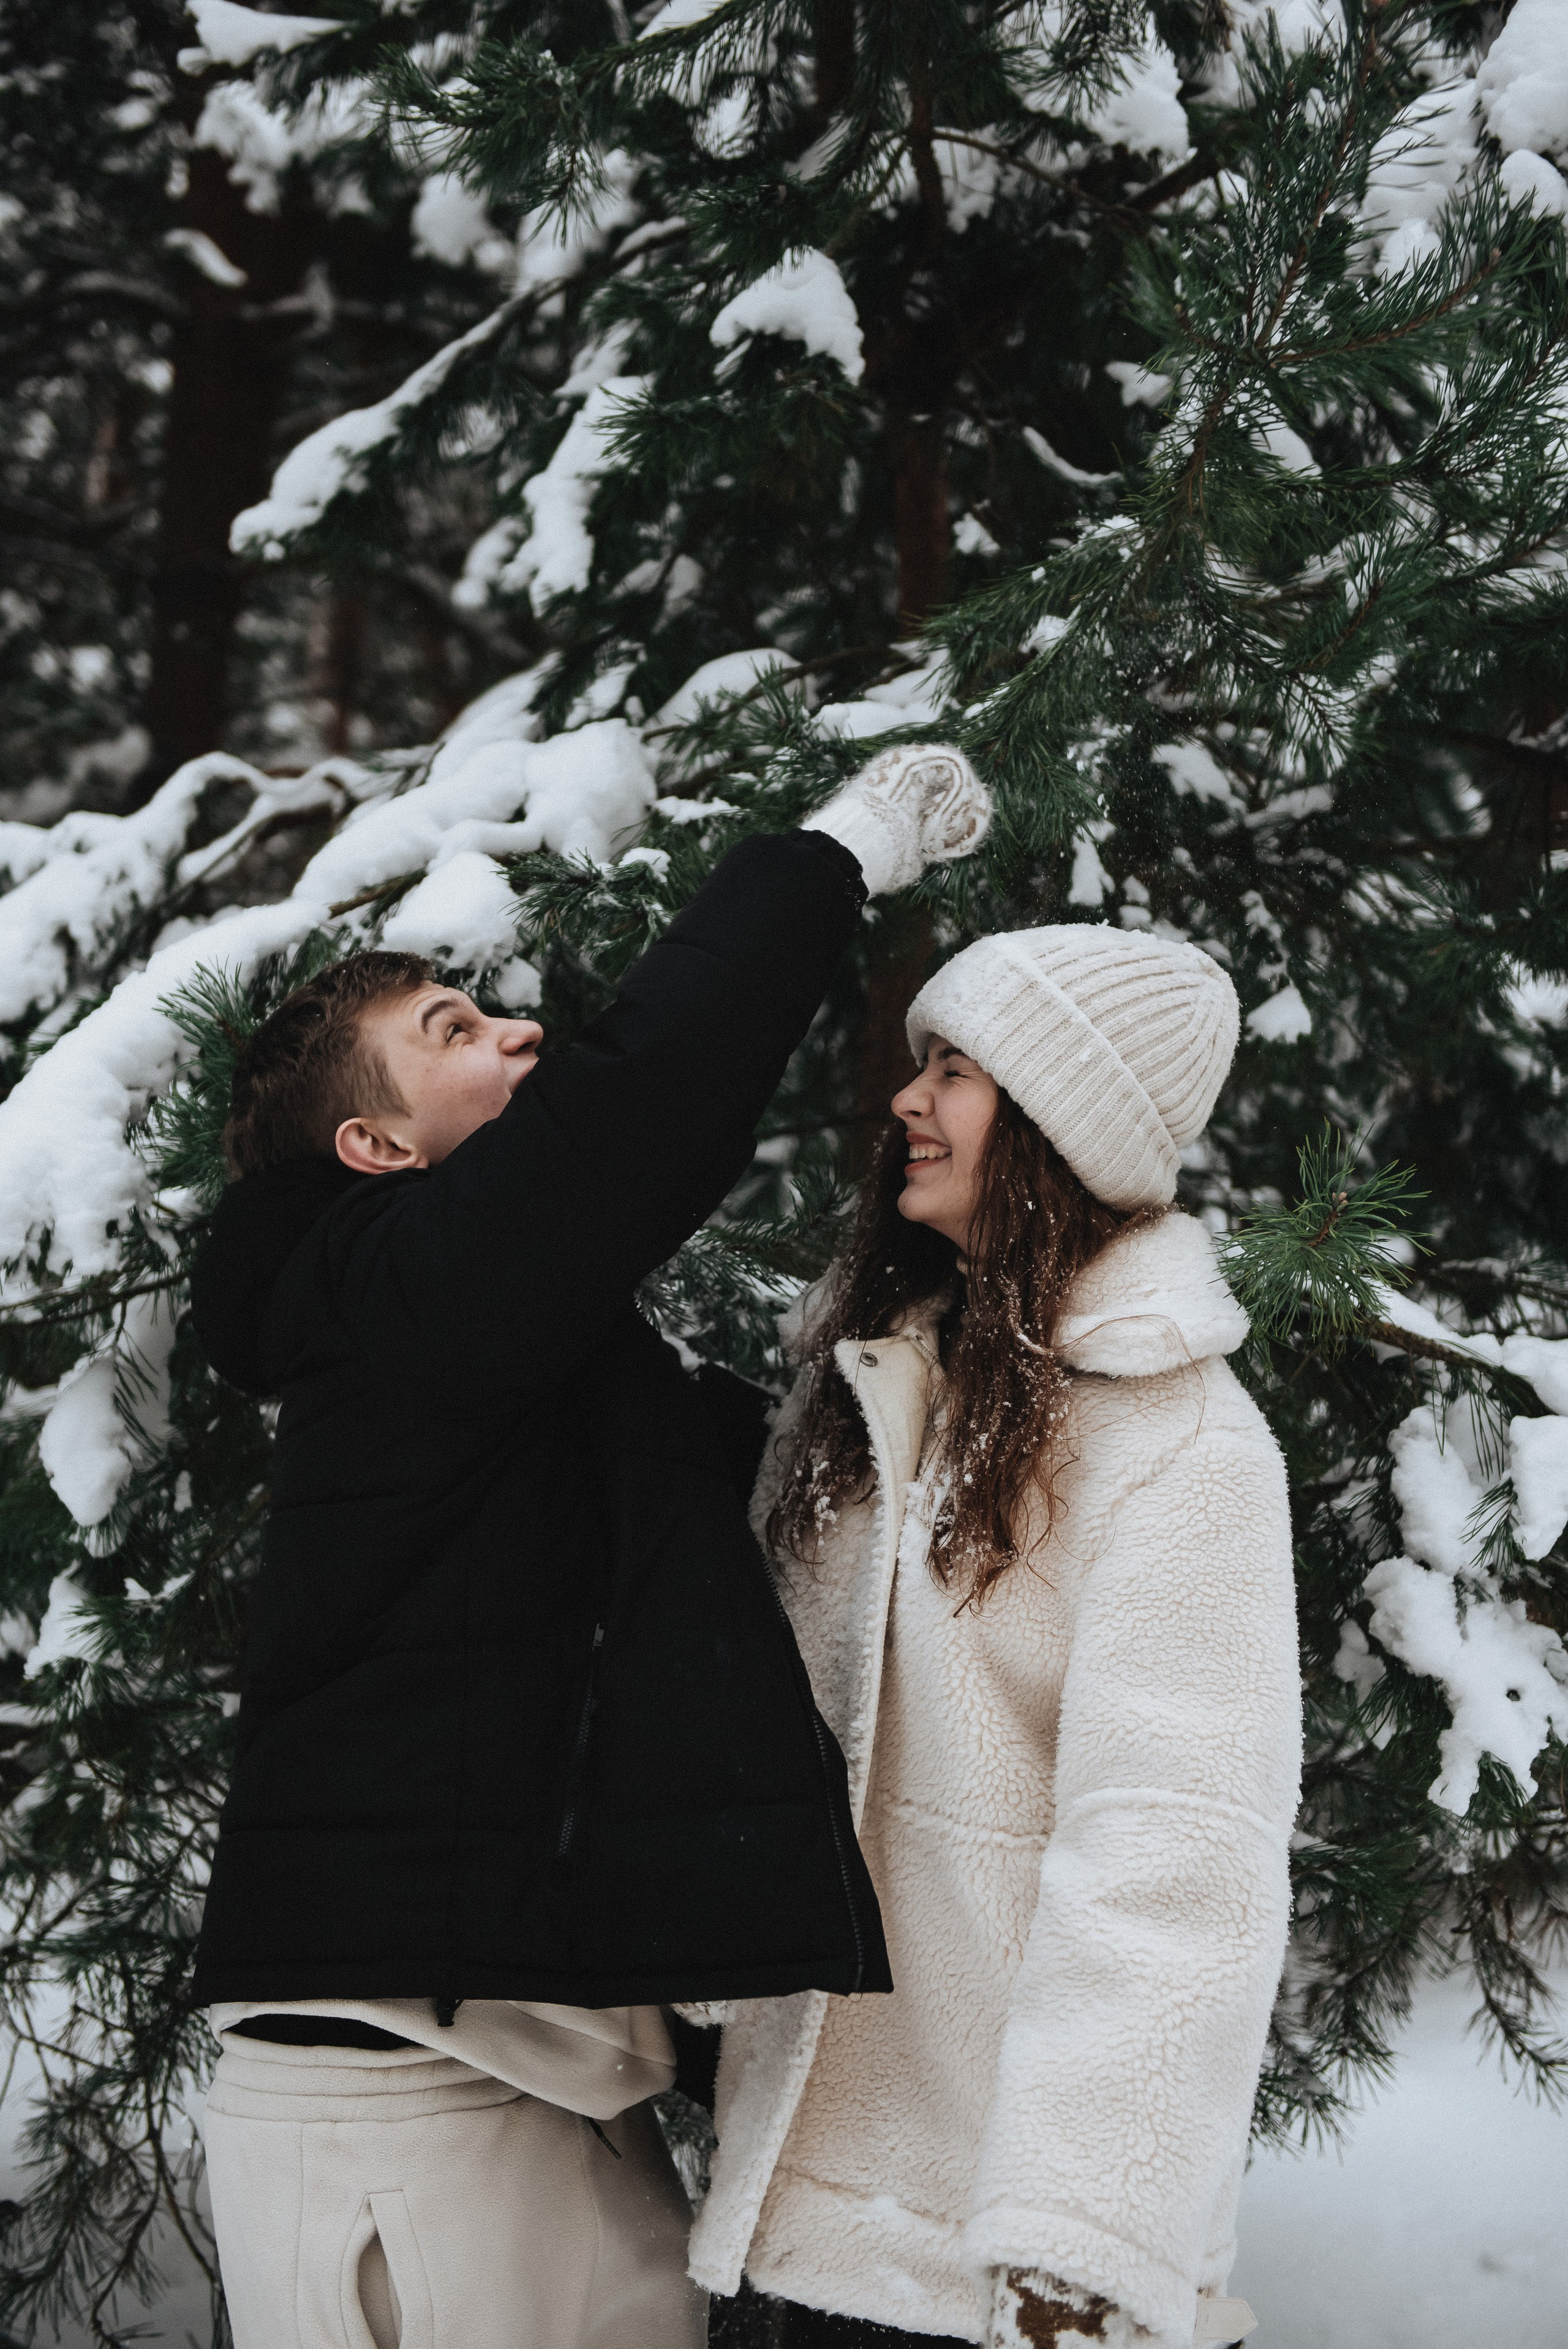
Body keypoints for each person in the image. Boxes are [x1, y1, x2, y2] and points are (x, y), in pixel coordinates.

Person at [183, 744, 992, 2349]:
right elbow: (649, 1092)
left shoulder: (469, 1351)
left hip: (454, 2079)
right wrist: (838, 846)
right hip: (418, 2104)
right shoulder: (400, 1288)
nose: (520, 1034)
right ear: (378, 1150)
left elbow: (765, 1500)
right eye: (454, 1034)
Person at [690, 925, 1303, 2349]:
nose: (907, 1100)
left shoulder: (1179, 1443)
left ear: (1051, 1129)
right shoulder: (887, 1380)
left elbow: (1173, 1863)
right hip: (786, 2220)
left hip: (983, 2267)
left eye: (954, 1071)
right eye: (919, 1066)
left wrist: (1076, 2256)